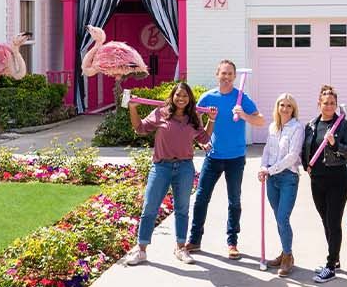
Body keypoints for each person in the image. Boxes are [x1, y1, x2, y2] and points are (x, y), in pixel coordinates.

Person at [124, 82, 212, 266]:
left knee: (182, 209)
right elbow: (139, 128)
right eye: (178, 95)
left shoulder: (194, 116)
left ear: (190, 99)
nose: (181, 99)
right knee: (149, 208)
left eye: (185, 96)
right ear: (172, 96)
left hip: (184, 168)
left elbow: (204, 138)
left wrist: (212, 119)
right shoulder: (161, 112)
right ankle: (141, 251)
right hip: (161, 167)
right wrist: (132, 108)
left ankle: (181, 248)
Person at [186, 60, 267, 259]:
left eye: (230, 74)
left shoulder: (242, 98)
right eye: (224, 73)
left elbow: (261, 120)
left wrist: (244, 115)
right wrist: (201, 142)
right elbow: (192, 121)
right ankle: (195, 240)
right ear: (217, 74)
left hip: (236, 158)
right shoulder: (207, 97)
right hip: (213, 156)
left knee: (234, 201)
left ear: (235, 76)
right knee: (201, 198)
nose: (227, 77)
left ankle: (232, 243)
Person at [302, 84, 347, 283]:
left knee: (334, 222)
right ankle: (335, 259)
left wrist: (335, 144)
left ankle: (330, 265)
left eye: (332, 103)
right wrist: (305, 165)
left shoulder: (343, 125)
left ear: (336, 104)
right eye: (325, 103)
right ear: (319, 103)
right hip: (317, 180)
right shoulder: (311, 124)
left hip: (337, 179)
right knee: (326, 221)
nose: (329, 106)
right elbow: (305, 148)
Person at [259, 92, 306, 277]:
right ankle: (284, 252)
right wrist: (263, 167)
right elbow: (266, 150)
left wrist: (270, 170)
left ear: (293, 109)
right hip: (272, 179)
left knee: (282, 218)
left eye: (289, 106)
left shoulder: (297, 128)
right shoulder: (272, 127)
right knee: (279, 219)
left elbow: (293, 156)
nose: (285, 109)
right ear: (277, 107)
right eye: (282, 105)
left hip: (288, 178)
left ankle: (288, 257)